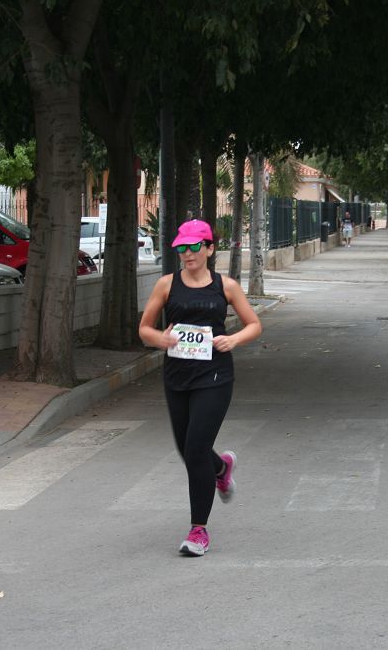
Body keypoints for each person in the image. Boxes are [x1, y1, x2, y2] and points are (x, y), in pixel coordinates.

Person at [138, 219, 263, 556]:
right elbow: (144, 329)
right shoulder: (167, 285)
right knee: (187, 449)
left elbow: (254, 325)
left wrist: (233, 339)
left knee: (195, 449)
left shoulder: (226, 286)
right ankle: (221, 468)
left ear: (210, 248)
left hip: (215, 377)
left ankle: (198, 531)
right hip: (177, 376)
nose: (188, 254)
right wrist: (161, 339)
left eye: (195, 247)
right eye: (181, 247)